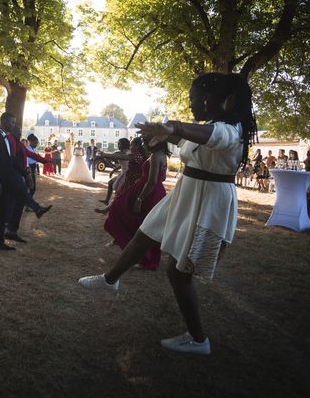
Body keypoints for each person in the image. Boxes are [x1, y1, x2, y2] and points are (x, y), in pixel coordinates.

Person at [79, 72, 257, 356]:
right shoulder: (209, 125)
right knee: (145, 233)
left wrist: (173, 126)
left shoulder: (229, 129)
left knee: (178, 273)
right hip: (188, 192)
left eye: (193, 98)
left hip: (209, 201)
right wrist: (164, 135)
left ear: (208, 99)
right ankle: (110, 280)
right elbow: (188, 142)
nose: (190, 104)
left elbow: (212, 138)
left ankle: (199, 340)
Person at [0, 112, 52, 251]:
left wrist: (24, 172)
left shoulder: (7, 139)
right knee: (3, 210)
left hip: (9, 179)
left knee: (17, 199)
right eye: (12, 122)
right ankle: (0, 242)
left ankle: (5, 238)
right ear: (4, 122)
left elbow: (11, 162)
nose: (14, 125)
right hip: (1, 182)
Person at [104, 139, 169, 269]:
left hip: (149, 192)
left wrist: (139, 199)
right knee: (127, 213)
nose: (144, 144)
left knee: (143, 224)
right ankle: (138, 254)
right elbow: (163, 177)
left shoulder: (156, 156)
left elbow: (152, 181)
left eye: (146, 141)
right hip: (151, 190)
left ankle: (146, 259)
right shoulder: (161, 154)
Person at [95, 138, 146, 214]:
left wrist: (105, 154)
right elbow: (119, 157)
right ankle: (109, 208)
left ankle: (113, 210)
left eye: (131, 144)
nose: (130, 146)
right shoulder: (134, 154)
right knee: (118, 194)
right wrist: (114, 169)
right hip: (129, 176)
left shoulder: (133, 155)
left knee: (121, 195)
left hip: (131, 178)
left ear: (137, 146)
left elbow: (122, 157)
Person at [99, 138, 131, 206]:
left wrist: (105, 154)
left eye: (119, 144)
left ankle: (114, 206)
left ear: (124, 144)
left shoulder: (128, 153)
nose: (118, 145)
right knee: (110, 183)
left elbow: (117, 156)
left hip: (127, 174)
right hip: (123, 172)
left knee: (119, 192)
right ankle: (107, 201)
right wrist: (114, 170)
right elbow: (122, 164)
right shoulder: (121, 152)